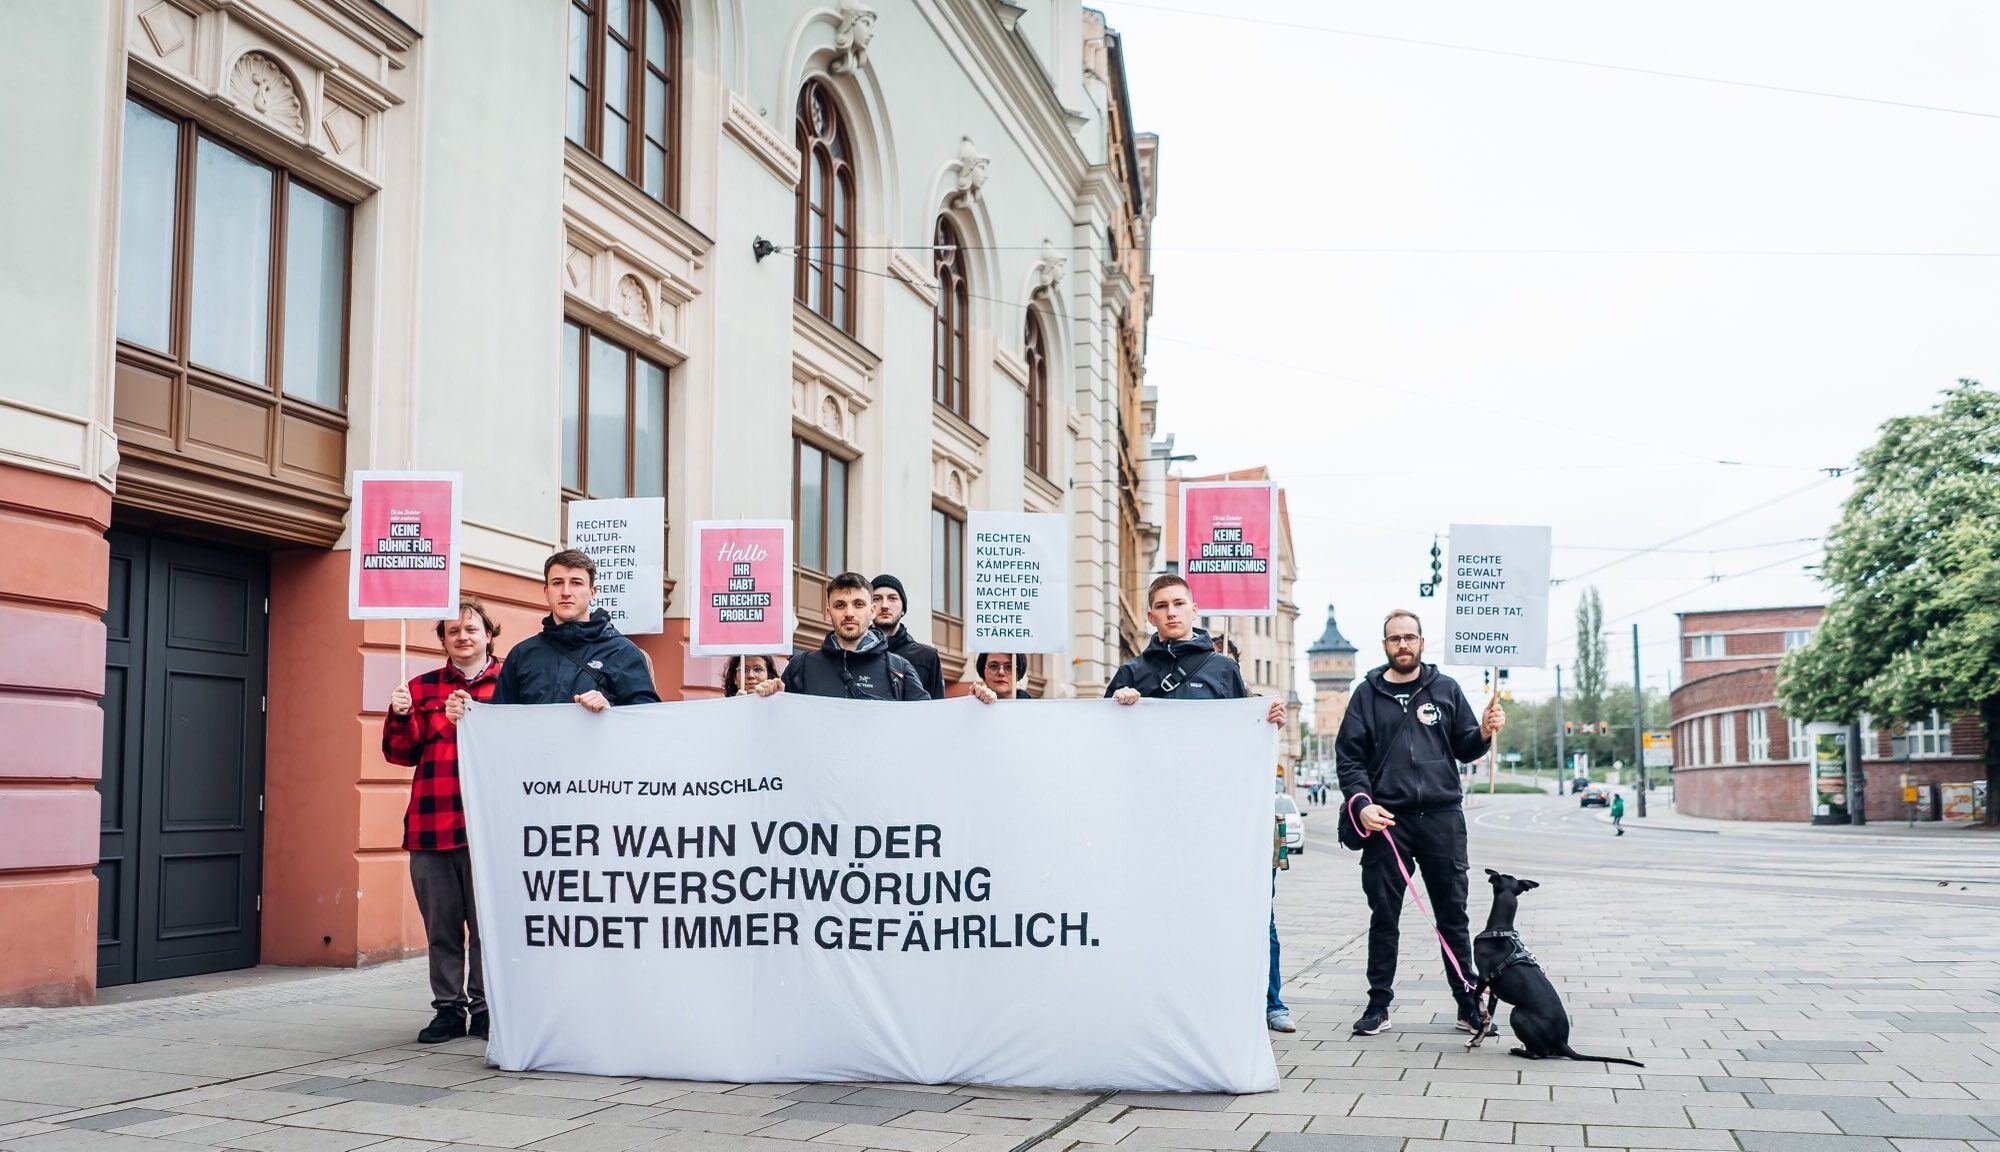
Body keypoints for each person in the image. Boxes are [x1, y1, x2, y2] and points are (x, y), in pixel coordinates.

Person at [1108, 575, 1289, 1032]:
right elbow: (1104, 740)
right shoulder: (1133, 672)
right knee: (1163, 907)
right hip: (1157, 816)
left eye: (1178, 603)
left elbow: (1243, 735)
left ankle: (1268, 1001)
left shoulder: (1222, 669)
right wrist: (1117, 706)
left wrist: (1268, 722)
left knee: (1243, 907)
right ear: (1150, 616)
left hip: (1215, 814)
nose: (1171, 612)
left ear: (1194, 610)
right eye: (1161, 606)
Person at [1335, 609, 1505, 1037]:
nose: (1404, 645)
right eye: (1395, 639)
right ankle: (1378, 1005)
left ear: (1423, 642)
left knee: (1453, 914)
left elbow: (1465, 747)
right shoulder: (1365, 695)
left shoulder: (1445, 689)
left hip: (1442, 817)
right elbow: (1349, 758)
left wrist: (1484, 730)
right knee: (1384, 915)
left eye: (1410, 637)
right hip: (1387, 821)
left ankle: (1468, 1002)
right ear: (1385, 646)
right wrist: (1361, 804)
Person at [383, 599, 504, 1044]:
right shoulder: (419, 688)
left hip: (489, 830)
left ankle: (488, 1007)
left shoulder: (512, 682)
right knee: (442, 929)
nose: (463, 636)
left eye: (471, 628)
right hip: (432, 826)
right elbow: (399, 754)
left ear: (488, 634)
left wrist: (472, 718)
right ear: (443, 641)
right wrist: (400, 716)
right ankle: (448, 1010)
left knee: (489, 927)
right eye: (453, 631)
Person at [446, 549, 659, 721]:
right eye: (557, 583)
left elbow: (650, 720)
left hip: (599, 773)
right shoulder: (523, 655)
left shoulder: (622, 652)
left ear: (592, 592)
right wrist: (470, 713)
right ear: (546, 591)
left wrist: (610, 710)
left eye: (576, 583)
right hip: (537, 773)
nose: (566, 591)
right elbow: (502, 721)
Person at [757, 572, 995, 702]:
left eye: (858, 604)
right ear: (829, 613)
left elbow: (931, 724)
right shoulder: (802, 667)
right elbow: (776, 730)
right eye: (840, 605)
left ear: (871, 612)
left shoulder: (899, 669)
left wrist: (974, 704)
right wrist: (762, 699)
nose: (849, 613)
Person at [870, 574, 947, 699]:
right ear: (869, 608)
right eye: (877, 599)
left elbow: (937, 708)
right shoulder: (853, 653)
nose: (884, 605)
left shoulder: (927, 656)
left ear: (903, 609)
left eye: (892, 598)